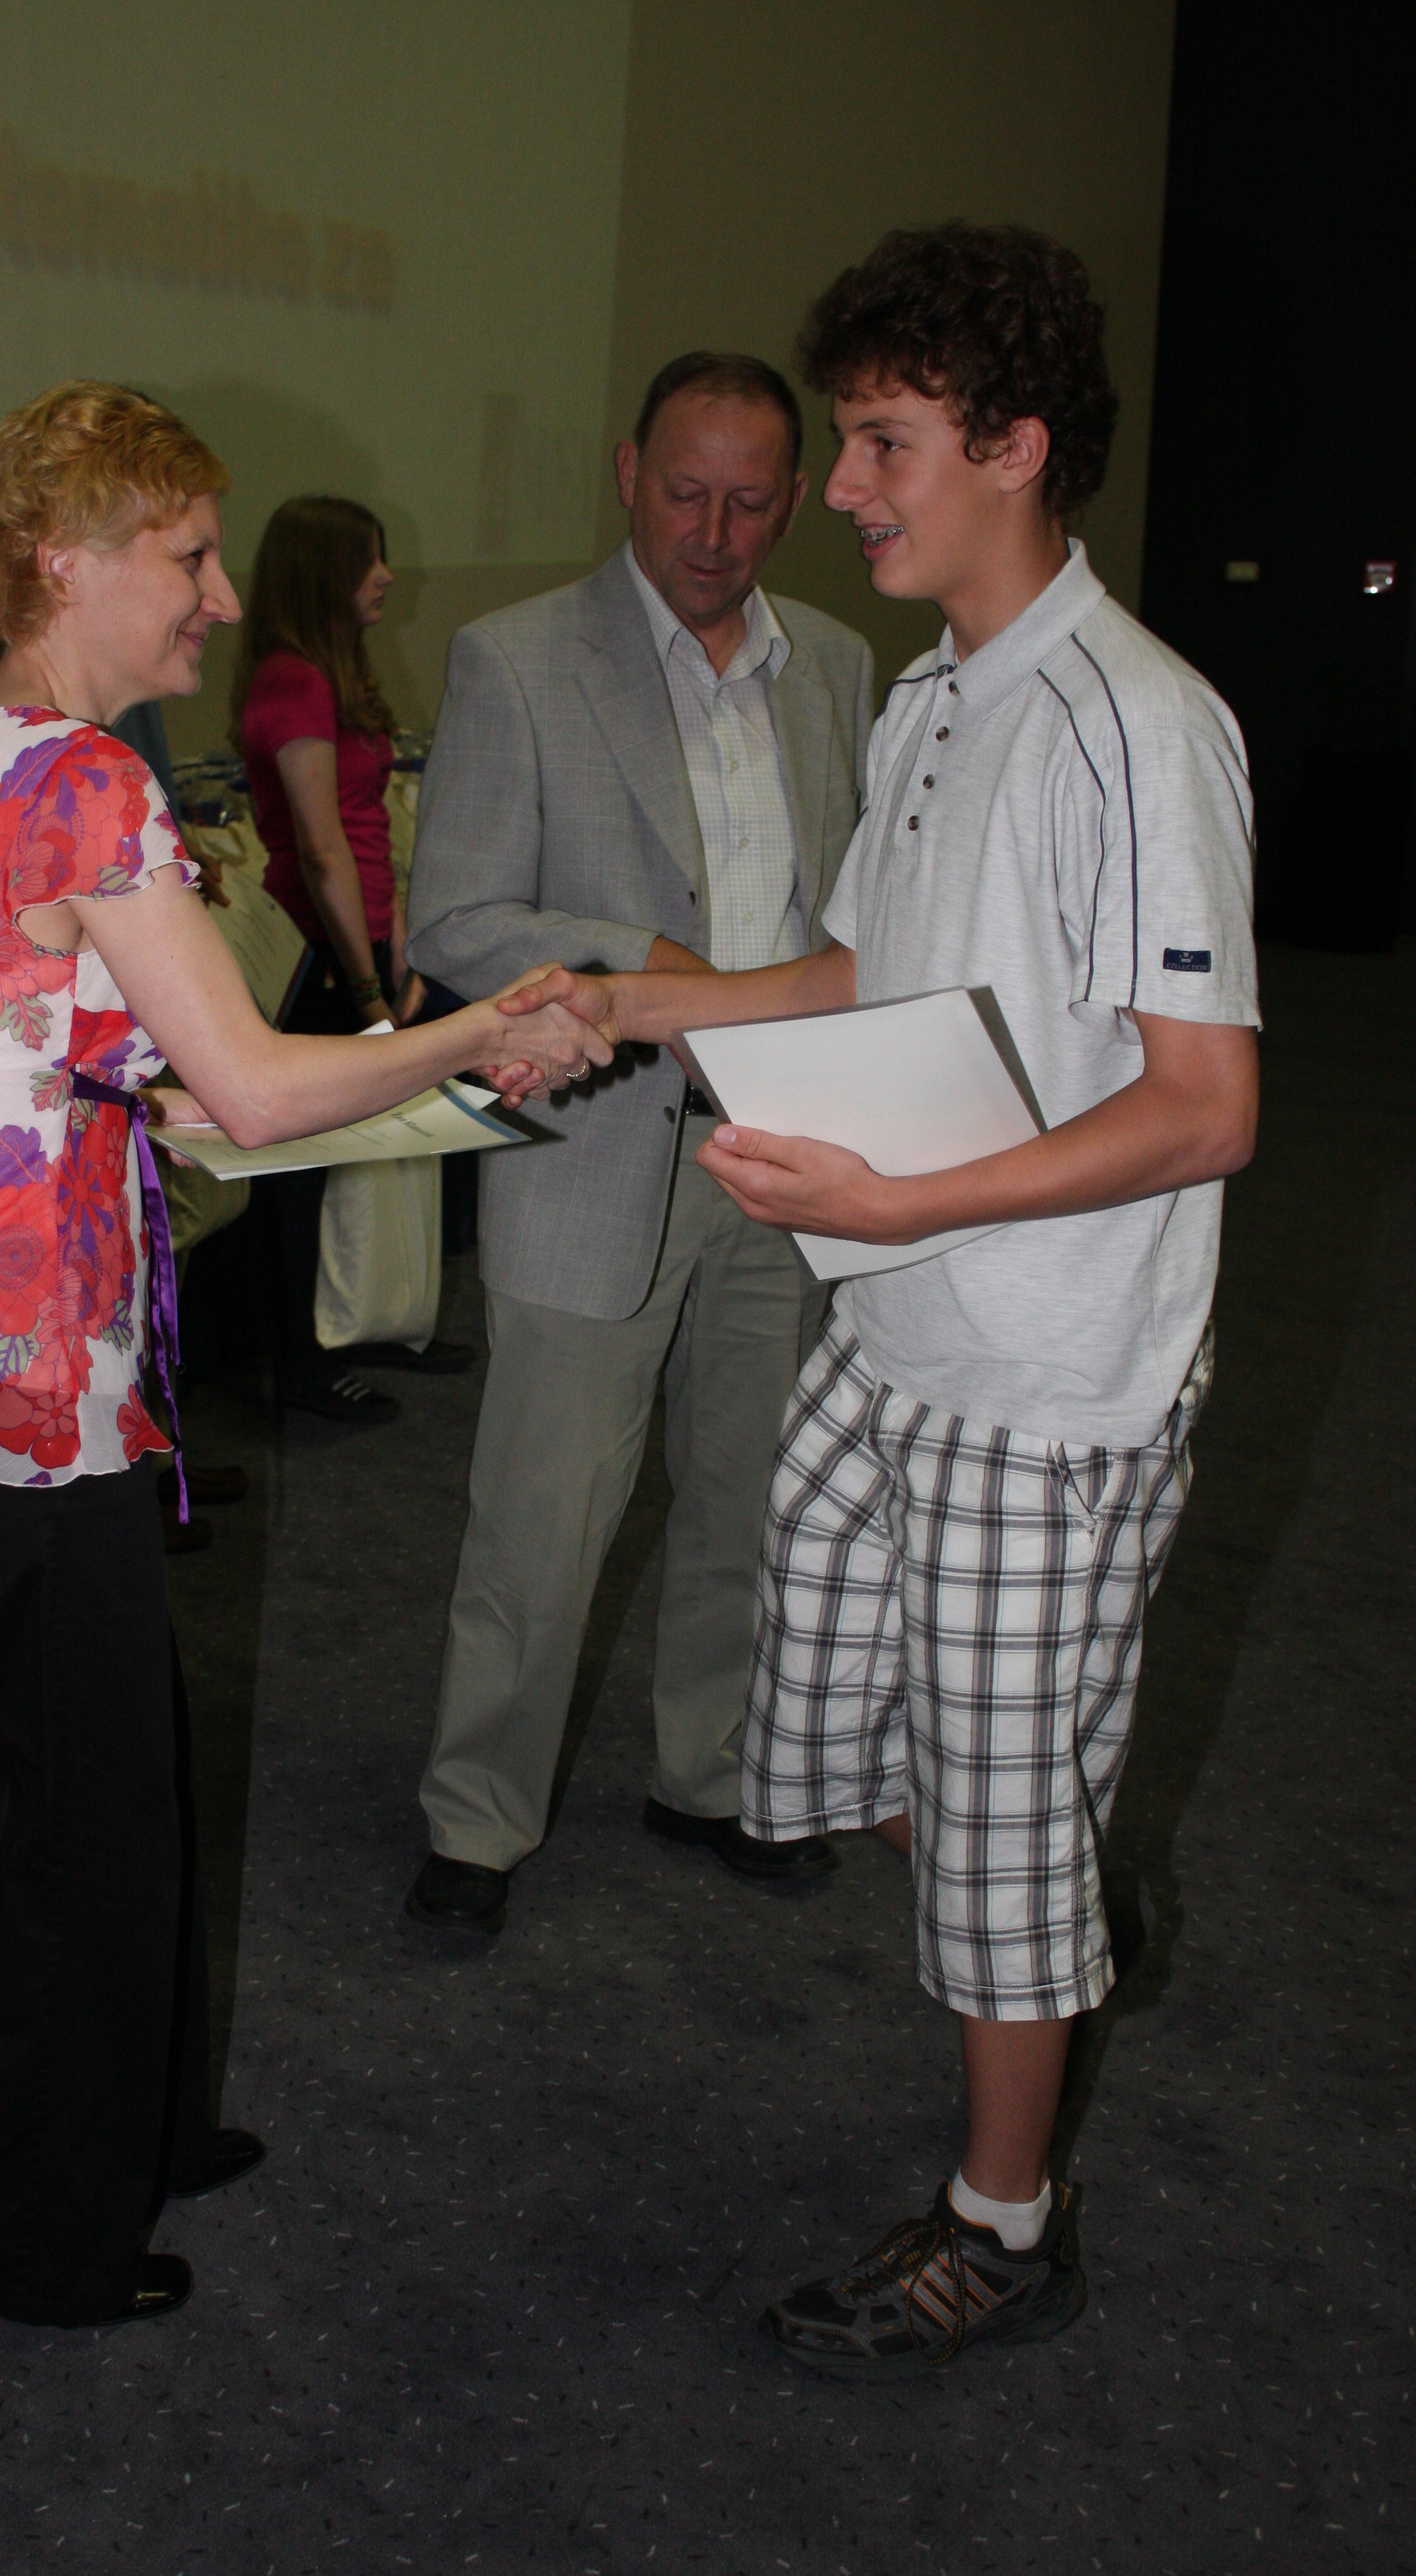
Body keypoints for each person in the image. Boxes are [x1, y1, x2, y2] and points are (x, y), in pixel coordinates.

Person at [503, 225, 1260, 2371]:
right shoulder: (934, 694)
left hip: (1046, 1370)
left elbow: (1206, 1105)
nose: (837, 490)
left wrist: (898, 1192)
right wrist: (633, 1001)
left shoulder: (1139, 725)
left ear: (1013, 447)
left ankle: (1004, 2221)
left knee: (990, 1834)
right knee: (839, 1722)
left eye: (881, 444)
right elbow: (860, 968)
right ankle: (1052, 1868)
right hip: (900, 1320)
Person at [0, 381, 606, 2336]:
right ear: (63, 558)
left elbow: (46, 1054)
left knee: (108, 1780)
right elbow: (255, 1090)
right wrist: (476, 1030)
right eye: (185, 554)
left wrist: (229, 1086)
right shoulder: (83, 781)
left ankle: (146, 2124)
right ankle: (19, 2242)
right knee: (78, 1830)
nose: (217, 594)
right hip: (24, 1392)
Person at [402, 354, 875, 1935]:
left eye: (747, 502)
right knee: (543, 1519)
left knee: (751, 1494)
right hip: (595, 1149)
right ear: (628, 473)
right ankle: (476, 1818)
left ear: (793, 502)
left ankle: (711, 1774)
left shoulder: (837, 665)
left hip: (783, 1153)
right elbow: (456, 918)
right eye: (684, 493)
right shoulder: (518, 658)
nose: (713, 534)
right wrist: (650, 977)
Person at [234, 496, 467, 1420]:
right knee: (304, 1171)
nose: (386, 577)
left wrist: (397, 936)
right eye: (370, 560)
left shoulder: (333, 673)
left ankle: (359, 1324)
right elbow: (322, 849)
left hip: (362, 941)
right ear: (326, 573)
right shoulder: (293, 682)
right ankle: (298, 1365)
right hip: (318, 952)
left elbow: (369, 829)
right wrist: (366, 986)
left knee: (365, 1155)